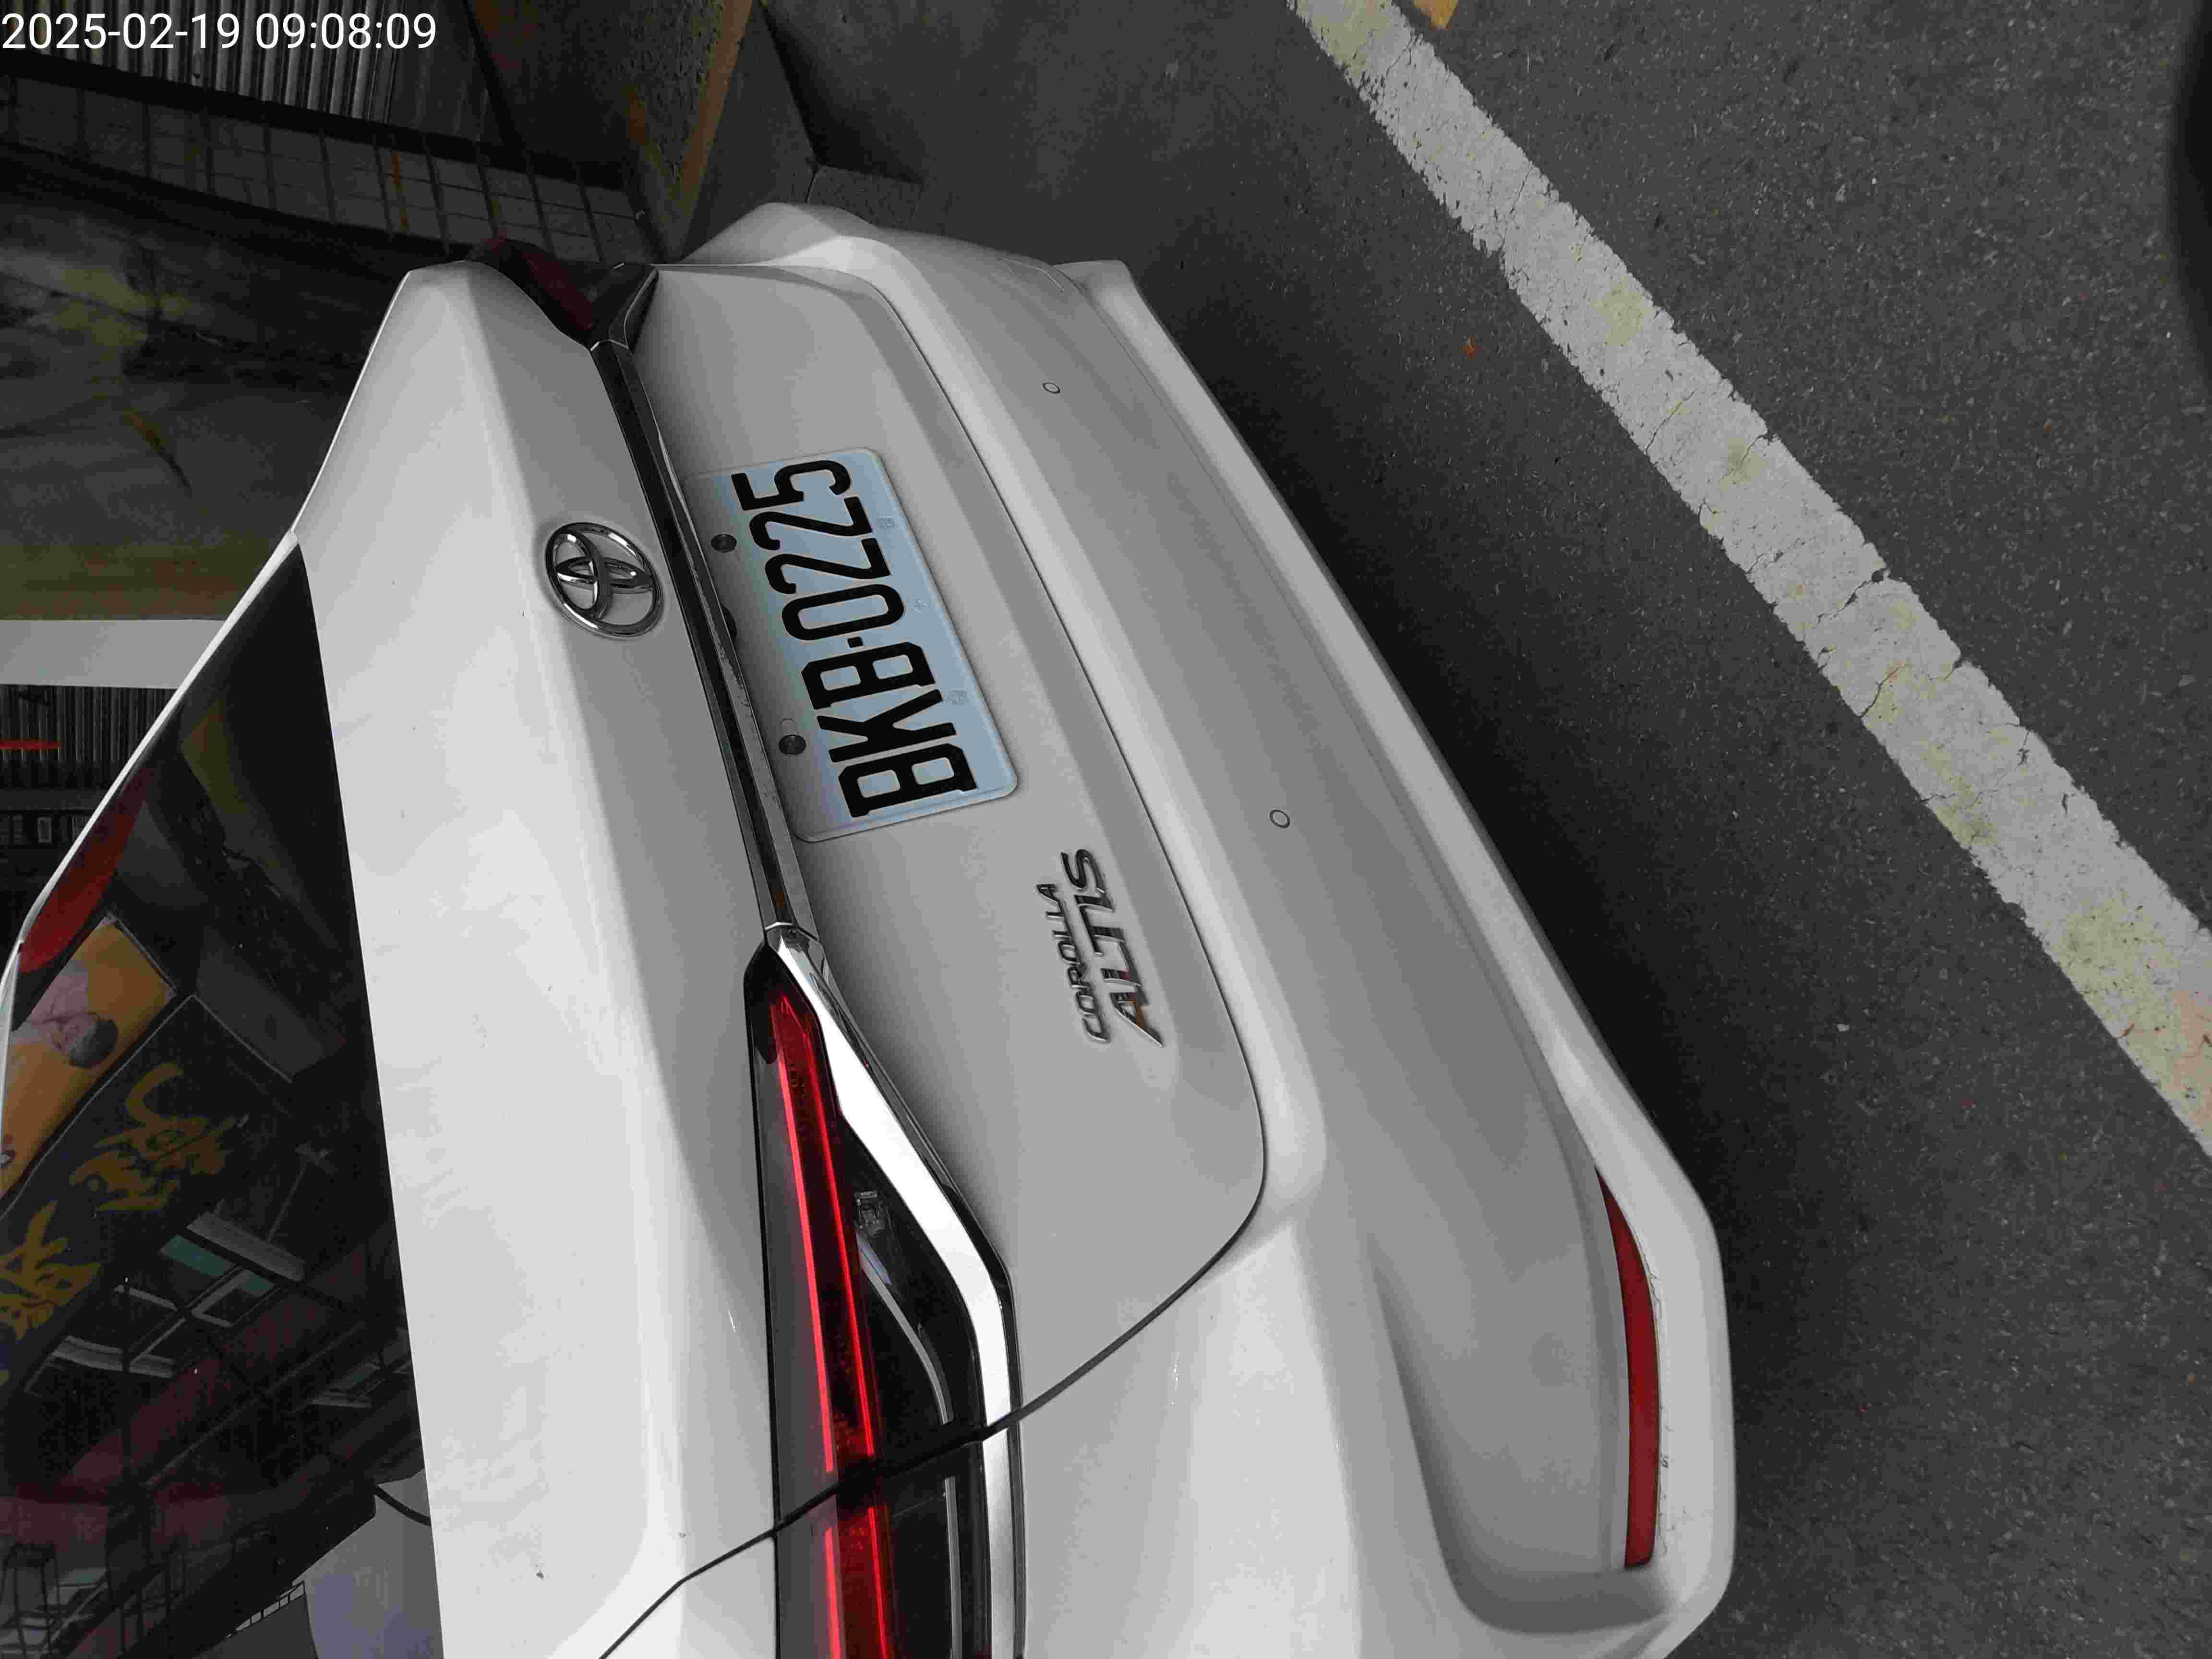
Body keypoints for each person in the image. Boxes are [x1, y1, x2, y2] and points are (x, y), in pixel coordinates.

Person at [16, 960, 120, 1072]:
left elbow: (7, 1025)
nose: (73, 1041)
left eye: (73, 1051)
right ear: (95, 1019)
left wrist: (45, 1031)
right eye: (85, 1039)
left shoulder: (44, 1035)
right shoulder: (77, 978)